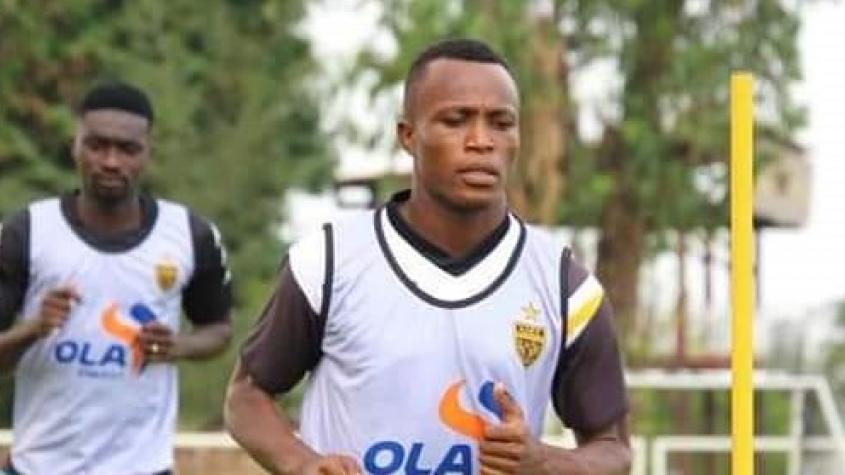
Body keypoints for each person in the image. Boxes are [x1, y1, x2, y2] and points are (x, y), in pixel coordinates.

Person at [225, 38, 630, 475]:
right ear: (408, 135)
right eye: (456, 120)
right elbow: (246, 396)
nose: (481, 141)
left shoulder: (565, 286)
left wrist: (543, 462)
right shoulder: (327, 263)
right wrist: (304, 464)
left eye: (501, 123)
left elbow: (614, 450)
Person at [0, 81, 233, 475]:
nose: (111, 161)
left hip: (144, 467)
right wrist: (33, 329)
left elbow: (219, 330)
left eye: (127, 149)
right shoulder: (27, 232)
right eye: (97, 145)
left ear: (147, 153)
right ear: (75, 146)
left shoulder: (189, 235)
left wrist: (177, 345)